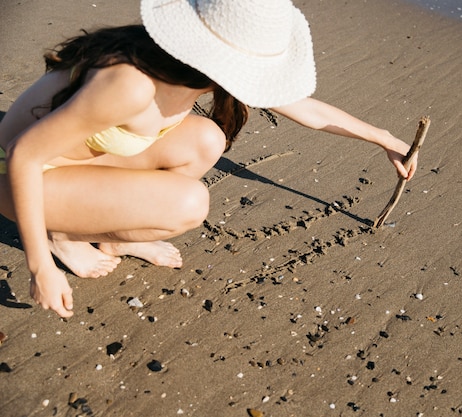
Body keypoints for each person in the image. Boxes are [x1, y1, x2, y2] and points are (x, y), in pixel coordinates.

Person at [0, 0, 418, 318]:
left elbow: (306, 108)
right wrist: (40, 267)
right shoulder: (130, 84)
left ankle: (110, 235)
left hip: (72, 165)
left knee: (206, 138)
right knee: (189, 203)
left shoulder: (182, 67)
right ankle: (64, 237)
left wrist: (381, 138)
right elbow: (23, 156)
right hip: (19, 173)